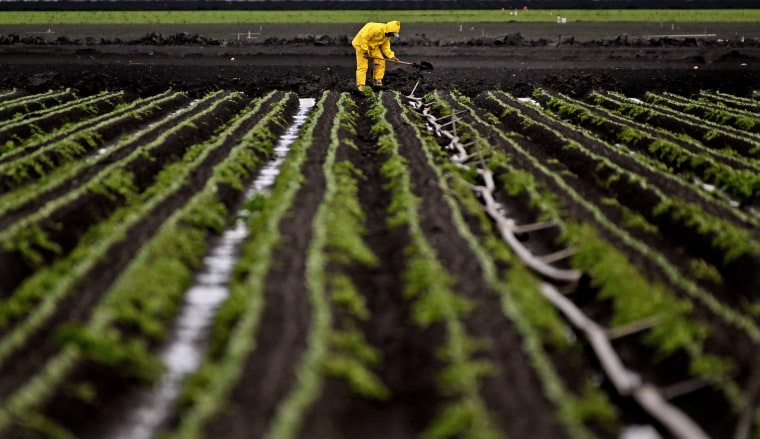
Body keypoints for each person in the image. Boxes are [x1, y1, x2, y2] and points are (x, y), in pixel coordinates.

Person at [351, 20, 401, 92]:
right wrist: (365, 52)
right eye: (392, 34)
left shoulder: (387, 36)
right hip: (361, 45)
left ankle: (377, 81)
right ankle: (360, 85)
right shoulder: (376, 29)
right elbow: (363, 38)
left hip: (372, 46)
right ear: (388, 31)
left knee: (381, 61)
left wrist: (392, 57)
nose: (391, 36)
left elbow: (386, 48)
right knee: (363, 66)